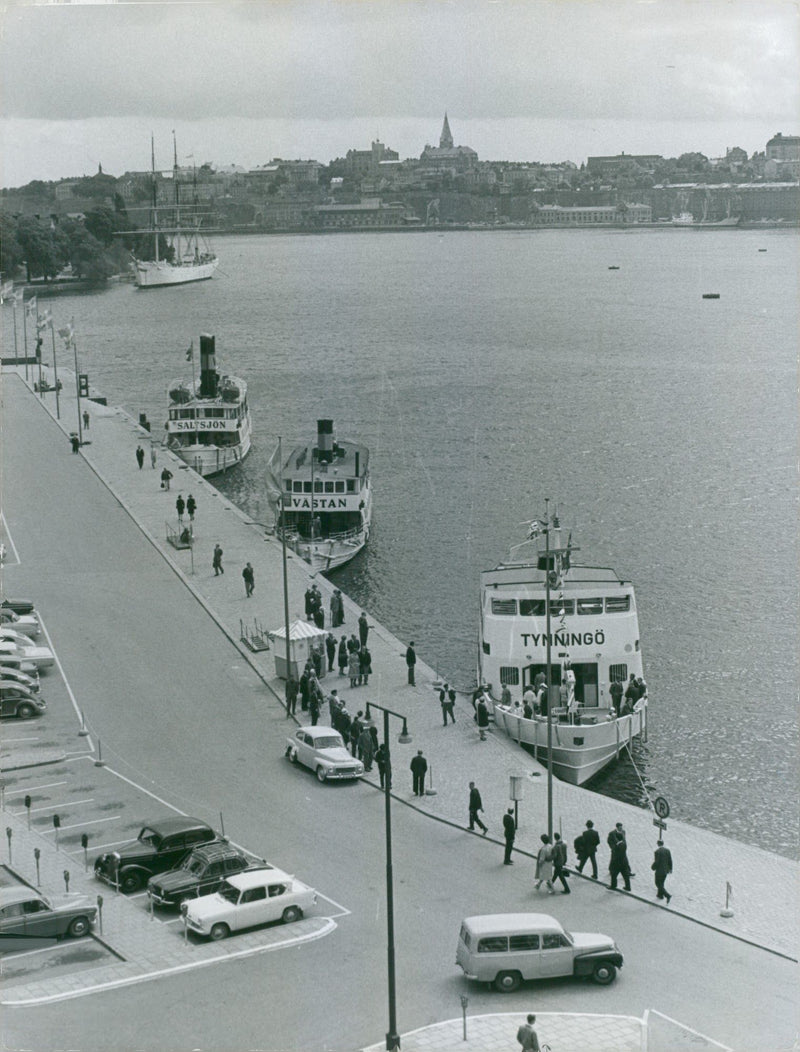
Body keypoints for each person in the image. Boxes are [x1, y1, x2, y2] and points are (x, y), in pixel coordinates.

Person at [608, 823, 632, 891]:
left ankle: (613, 886)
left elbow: (615, 855)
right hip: (624, 862)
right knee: (625, 875)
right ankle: (628, 887)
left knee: (614, 874)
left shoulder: (617, 846)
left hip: (618, 863)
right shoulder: (624, 845)